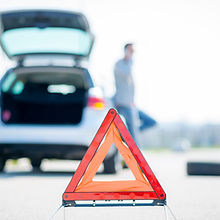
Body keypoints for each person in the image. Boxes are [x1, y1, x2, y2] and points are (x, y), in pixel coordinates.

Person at [113, 43, 138, 140]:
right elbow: (125, 74)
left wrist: (132, 101)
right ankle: (134, 153)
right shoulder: (119, 64)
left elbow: (131, 86)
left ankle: (133, 150)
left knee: (134, 130)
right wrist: (129, 60)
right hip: (121, 103)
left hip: (130, 104)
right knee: (130, 131)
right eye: (130, 51)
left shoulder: (129, 64)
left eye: (133, 51)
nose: (131, 53)